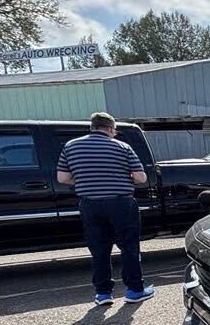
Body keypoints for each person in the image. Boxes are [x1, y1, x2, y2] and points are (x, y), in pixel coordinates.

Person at [56, 112, 154, 306]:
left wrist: (86, 180)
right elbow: (141, 177)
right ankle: (134, 290)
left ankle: (103, 293)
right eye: (115, 131)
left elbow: (63, 178)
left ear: (92, 127)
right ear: (110, 128)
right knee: (129, 247)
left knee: (99, 249)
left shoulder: (71, 146)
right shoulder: (122, 147)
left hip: (90, 204)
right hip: (120, 203)